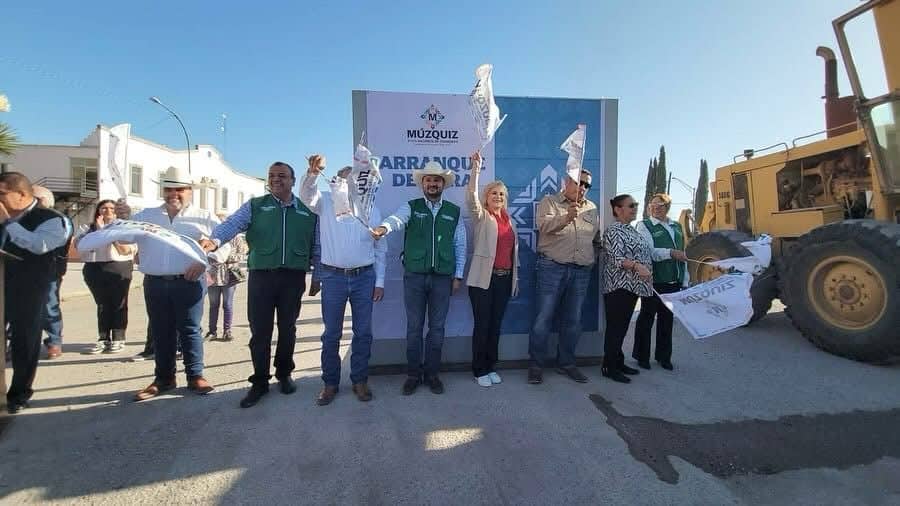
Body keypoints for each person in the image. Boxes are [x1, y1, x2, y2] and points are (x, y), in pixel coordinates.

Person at [203, 161, 316, 409]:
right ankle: (260, 381)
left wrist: (317, 275)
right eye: (272, 175)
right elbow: (231, 225)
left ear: (293, 181)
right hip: (262, 277)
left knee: (288, 329)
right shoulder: (255, 206)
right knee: (261, 331)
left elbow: (315, 245)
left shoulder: (307, 212)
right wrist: (215, 240)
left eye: (282, 176)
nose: (276, 179)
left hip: (293, 278)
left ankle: (284, 374)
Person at [115, 166, 219, 401]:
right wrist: (122, 219)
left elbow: (223, 244)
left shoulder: (204, 216)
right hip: (155, 282)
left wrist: (205, 261)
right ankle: (164, 379)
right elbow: (123, 238)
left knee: (190, 329)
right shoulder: (146, 216)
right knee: (161, 331)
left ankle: (195, 376)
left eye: (179, 189)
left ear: (190, 191)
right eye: (168, 188)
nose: (173, 193)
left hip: (189, 282)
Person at [372, 161, 466, 396]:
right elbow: (396, 220)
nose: (432, 183)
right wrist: (384, 228)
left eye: (436, 180)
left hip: (443, 279)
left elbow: (460, 245)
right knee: (414, 329)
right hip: (414, 277)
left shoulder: (454, 212)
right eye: (428, 180)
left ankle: (432, 374)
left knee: (437, 329)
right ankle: (413, 375)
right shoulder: (410, 207)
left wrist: (458, 275)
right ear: (422, 183)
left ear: (442, 184)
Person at [299, 157, 386, 405]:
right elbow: (306, 196)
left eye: (356, 178)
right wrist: (312, 173)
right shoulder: (325, 201)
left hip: (364, 277)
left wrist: (379, 281)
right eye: (345, 178)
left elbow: (381, 248)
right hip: (334, 277)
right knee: (331, 334)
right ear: (337, 181)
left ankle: (359, 380)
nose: (351, 182)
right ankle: (330, 383)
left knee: (363, 333)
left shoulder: (372, 208)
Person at [0, 172, 70, 413]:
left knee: (24, 341)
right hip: (2, 283)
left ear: (21, 194)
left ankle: (19, 394)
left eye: (1, 194)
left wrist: (8, 223)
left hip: (30, 288)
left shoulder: (51, 218)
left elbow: (38, 245)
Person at [527, 169, 602, 385]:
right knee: (543, 319)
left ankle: (567, 363)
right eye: (579, 182)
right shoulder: (549, 201)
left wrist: (591, 258)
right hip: (551, 267)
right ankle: (536, 366)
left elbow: (596, 240)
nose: (583, 188)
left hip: (581, 271)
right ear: (567, 182)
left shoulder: (591, 208)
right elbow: (543, 226)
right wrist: (567, 216)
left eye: (587, 185)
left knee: (573, 321)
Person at [465, 152, 518, 387]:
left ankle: (490, 365)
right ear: (487, 198)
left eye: (501, 194)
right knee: (483, 325)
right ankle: (479, 369)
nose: (498, 196)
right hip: (482, 282)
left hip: (504, 280)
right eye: (494, 193)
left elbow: (511, 254)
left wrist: (515, 280)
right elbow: (470, 196)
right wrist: (476, 168)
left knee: (496, 326)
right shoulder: (482, 216)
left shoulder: (509, 220)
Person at [601, 194, 653, 383]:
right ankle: (609, 367)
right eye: (631, 205)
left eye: (636, 204)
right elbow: (617, 258)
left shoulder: (631, 230)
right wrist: (637, 266)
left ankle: (618, 361)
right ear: (617, 209)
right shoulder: (614, 231)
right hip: (618, 287)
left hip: (632, 287)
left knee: (622, 328)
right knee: (615, 328)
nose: (635, 208)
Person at [633, 193, 689, 371]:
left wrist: (685, 279)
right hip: (653, 280)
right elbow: (650, 251)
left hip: (674, 280)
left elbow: (683, 253)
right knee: (647, 317)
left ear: (668, 207)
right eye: (653, 205)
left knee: (667, 319)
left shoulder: (677, 226)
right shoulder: (644, 225)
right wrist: (671, 253)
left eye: (660, 205)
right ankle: (642, 356)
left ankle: (664, 357)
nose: (656, 208)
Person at [75, 200, 137, 354]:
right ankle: (103, 338)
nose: (108, 211)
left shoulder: (124, 227)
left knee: (118, 303)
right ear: (98, 211)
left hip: (118, 266)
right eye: (104, 208)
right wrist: (98, 231)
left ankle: (118, 337)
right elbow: (79, 245)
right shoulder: (88, 228)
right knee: (102, 305)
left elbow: (126, 250)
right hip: (94, 267)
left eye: (111, 208)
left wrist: (109, 235)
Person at [33, 185, 73, 360]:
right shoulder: (21, 218)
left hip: (49, 270)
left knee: (49, 306)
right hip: (19, 271)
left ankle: (54, 342)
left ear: (42, 201)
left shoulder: (59, 219)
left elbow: (48, 244)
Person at [204, 219, 247, 342]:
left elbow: (242, 254)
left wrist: (226, 257)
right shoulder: (211, 238)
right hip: (213, 274)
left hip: (229, 274)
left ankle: (227, 331)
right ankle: (212, 331)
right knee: (213, 304)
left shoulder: (236, 238)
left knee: (227, 304)